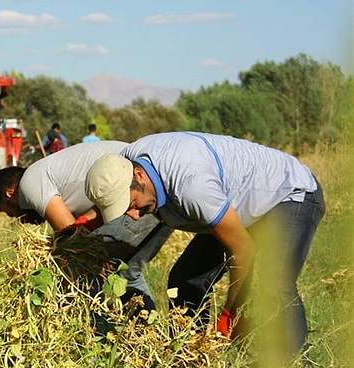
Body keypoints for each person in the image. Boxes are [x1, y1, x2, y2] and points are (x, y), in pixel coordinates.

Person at [84, 131, 325, 359]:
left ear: (138, 175)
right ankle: (193, 353)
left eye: (133, 204)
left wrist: (231, 311)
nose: (134, 216)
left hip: (289, 193)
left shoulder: (191, 186)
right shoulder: (124, 165)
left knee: (275, 282)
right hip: (236, 204)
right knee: (185, 279)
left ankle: (295, 359)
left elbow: (243, 249)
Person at [0, 141, 173, 320]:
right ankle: (146, 336)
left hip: (139, 191)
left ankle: (96, 337)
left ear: (10, 193)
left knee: (87, 270)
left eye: (11, 212)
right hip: (160, 189)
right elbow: (88, 222)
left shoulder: (29, 183)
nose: (22, 221)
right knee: (127, 273)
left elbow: (74, 238)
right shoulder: (53, 177)